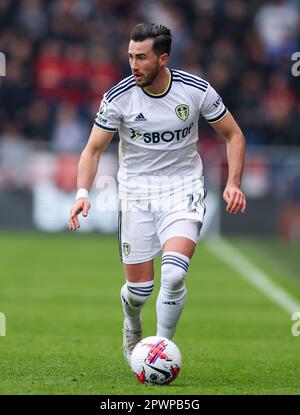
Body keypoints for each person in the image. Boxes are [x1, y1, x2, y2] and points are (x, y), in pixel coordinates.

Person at [69, 23, 247, 364]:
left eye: (142, 58)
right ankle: (132, 321)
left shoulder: (195, 91)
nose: (134, 65)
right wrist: (82, 192)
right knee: (139, 292)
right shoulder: (118, 97)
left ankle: (159, 351)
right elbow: (92, 150)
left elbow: (233, 135)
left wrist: (234, 182)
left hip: (183, 190)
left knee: (175, 273)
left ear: (163, 59)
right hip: (136, 195)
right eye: (130, 57)